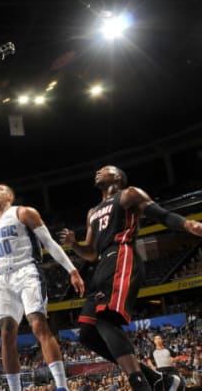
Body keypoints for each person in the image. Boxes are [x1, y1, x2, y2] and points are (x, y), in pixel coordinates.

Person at [60, 165, 202, 391]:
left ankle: (141, 385)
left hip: (122, 254)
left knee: (105, 319)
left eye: (103, 170)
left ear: (116, 176)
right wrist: (75, 244)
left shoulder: (128, 194)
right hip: (102, 263)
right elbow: (91, 252)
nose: (97, 172)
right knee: (87, 334)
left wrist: (188, 225)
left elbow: (161, 214)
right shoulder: (92, 211)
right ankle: (160, 380)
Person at [0, 184, 85, 391]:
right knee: (6, 333)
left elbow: (50, 243)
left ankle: (62, 386)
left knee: (37, 324)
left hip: (27, 271)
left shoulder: (24, 212)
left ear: (10, 196)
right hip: (3, 279)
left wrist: (72, 270)